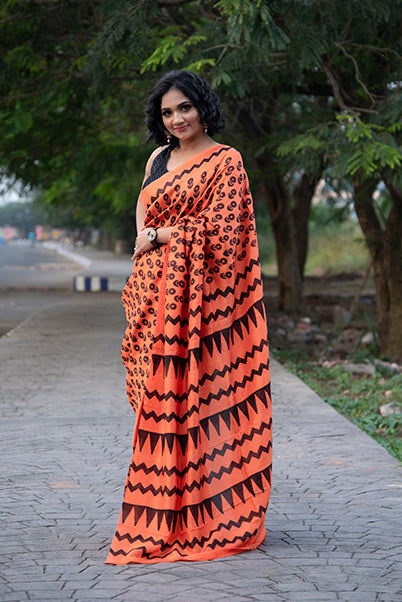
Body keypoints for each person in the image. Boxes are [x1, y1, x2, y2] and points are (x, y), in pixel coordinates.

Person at [105, 70, 272, 565]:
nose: (177, 119)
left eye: (184, 108)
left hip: (203, 301)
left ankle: (208, 513)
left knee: (202, 402)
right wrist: (147, 244)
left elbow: (225, 236)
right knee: (152, 398)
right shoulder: (159, 158)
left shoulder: (226, 161)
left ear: (202, 107)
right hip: (152, 295)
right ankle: (169, 506)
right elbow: (144, 210)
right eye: (167, 112)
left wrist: (161, 237)